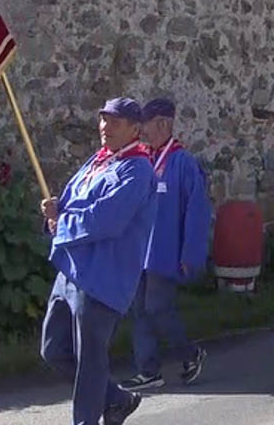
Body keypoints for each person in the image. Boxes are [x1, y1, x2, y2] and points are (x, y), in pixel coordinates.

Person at [40, 98, 156, 425]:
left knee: (90, 361)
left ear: (135, 129)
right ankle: (116, 399)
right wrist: (55, 211)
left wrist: (62, 223)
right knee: (53, 350)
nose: (105, 127)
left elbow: (106, 219)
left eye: (115, 122)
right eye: (103, 119)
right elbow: (73, 201)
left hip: (103, 277)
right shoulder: (100, 159)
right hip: (71, 271)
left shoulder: (137, 169)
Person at [122, 97, 211, 391]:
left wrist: (191, 254)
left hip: (165, 252)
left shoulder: (183, 163)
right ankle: (148, 371)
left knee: (157, 307)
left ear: (162, 123)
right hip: (138, 252)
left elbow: (197, 212)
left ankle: (190, 353)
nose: (141, 130)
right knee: (139, 310)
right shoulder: (142, 159)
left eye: (144, 124)